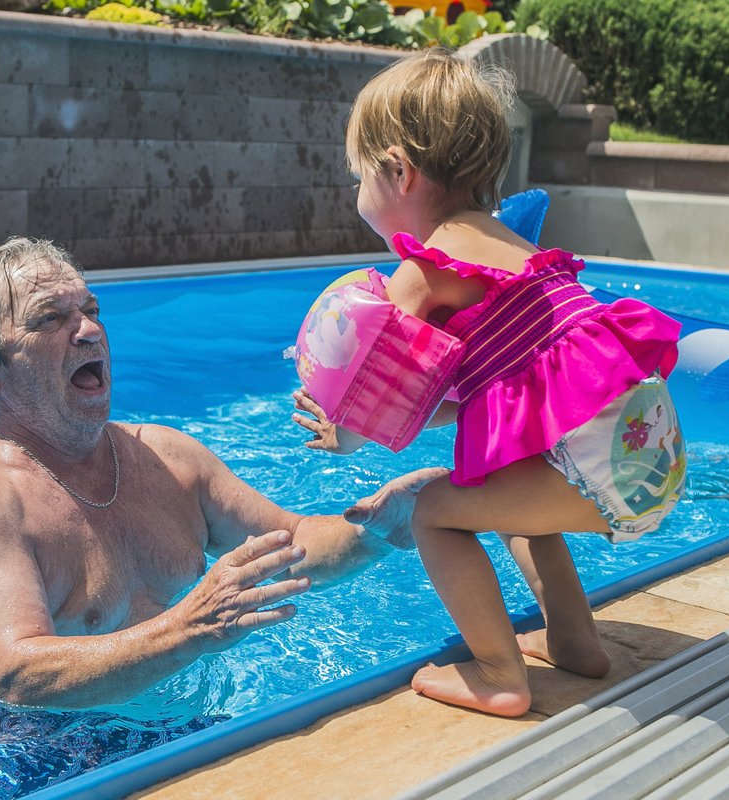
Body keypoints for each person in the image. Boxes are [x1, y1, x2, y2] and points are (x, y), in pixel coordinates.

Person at [291, 48, 687, 718]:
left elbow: (378, 401)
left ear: (398, 171)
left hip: (602, 471)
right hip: (653, 462)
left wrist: (343, 434)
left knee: (434, 515)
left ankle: (501, 675)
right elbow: (454, 396)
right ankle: (575, 642)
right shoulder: (514, 249)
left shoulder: (429, 267)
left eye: (360, 177)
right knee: (499, 490)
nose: (358, 194)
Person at [0, 236, 443, 710]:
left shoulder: (167, 458)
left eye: (90, 310)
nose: (88, 331)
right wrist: (189, 626)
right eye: (49, 319)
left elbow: (293, 543)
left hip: (181, 725)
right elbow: (14, 677)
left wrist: (377, 531)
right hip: (35, 755)